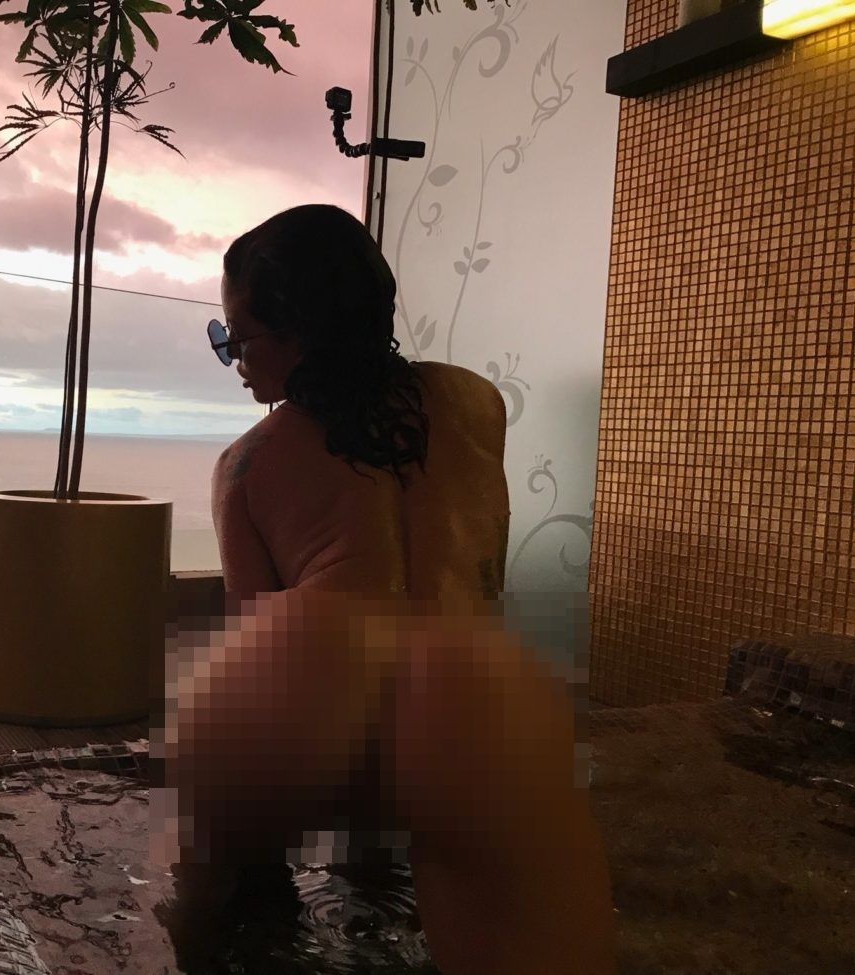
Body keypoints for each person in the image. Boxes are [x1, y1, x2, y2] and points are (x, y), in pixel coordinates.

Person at [157, 204, 618, 973]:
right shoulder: (479, 403)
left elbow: (258, 634)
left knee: (202, 908)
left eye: (236, 336)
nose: (233, 359)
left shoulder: (245, 466)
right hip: (468, 704)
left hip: (320, 714)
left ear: (298, 329)